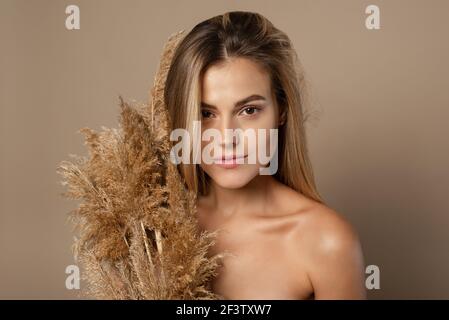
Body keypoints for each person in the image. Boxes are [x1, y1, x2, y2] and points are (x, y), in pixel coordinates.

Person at [164, 11, 366, 300]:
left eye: (249, 111)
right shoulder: (155, 230)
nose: (225, 138)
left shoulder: (327, 241)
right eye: (206, 113)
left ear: (281, 110)